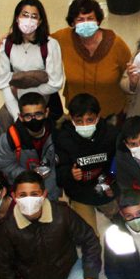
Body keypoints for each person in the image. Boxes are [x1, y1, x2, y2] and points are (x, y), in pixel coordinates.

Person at [52, 0, 132, 119]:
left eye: (90, 19)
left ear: (98, 21)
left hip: (112, 116)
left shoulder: (116, 44)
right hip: (77, 115)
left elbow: (130, 76)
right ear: (72, 23)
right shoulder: (63, 38)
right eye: (80, 19)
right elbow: (40, 41)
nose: (86, 23)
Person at [54, 93, 121, 235]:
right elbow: (58, 175)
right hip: (80, 193)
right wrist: (70, 174)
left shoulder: (111, 134)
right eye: (79, 121)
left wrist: (111, 180)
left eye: (90, 120)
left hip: (105, 188)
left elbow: (118, 162)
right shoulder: (63, 138)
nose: (85, 125)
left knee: (124, 221)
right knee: (89, 235)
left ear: (98, 117)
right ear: (72, 119)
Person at [0, 0, 65, 132]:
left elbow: (56, 83)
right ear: (17, 18)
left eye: (34, 16)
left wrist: (27, 92)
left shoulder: (50, 45)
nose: (29, 20)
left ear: (40, 22)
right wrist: (18, 115)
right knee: (3, 123)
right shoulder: (7, 45)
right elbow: (3, 82)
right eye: (25, 15)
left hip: (46, 99)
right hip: (17, 100)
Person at [0, 92, 60, 200]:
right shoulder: (7, 141)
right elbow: (5, 166)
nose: (34, 120)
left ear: (46, 112)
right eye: (28, 116)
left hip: (51, 191)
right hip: (23, 194)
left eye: (38, 114)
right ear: (20, 117)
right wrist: (30, 175)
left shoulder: (57, 134)